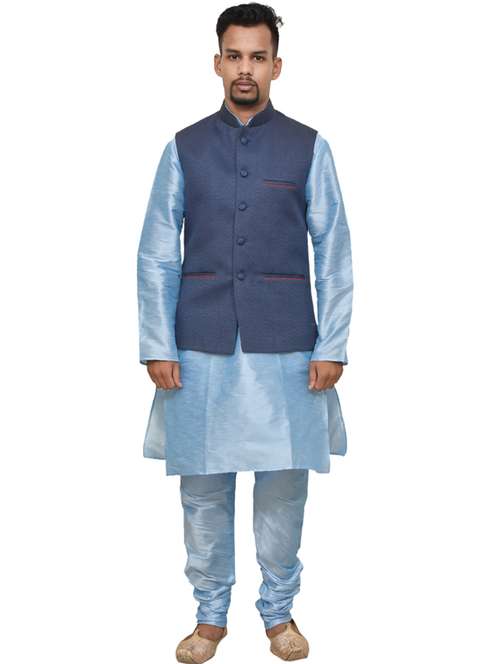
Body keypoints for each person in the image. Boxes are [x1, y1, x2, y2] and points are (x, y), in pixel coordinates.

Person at [136, 3, 354, 661]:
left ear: (276, 66)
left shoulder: (309, 146)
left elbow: (334, 248)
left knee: (283, 485)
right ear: (217, 62)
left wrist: (332, 344)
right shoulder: (183, 147)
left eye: (258, 57)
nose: (245, 69)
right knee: (203, 488)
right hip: (199, 342)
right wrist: (156, 343)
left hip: (287, 344)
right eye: (234, 55)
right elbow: (157, 251)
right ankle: (209, 618)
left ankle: (280, 614)